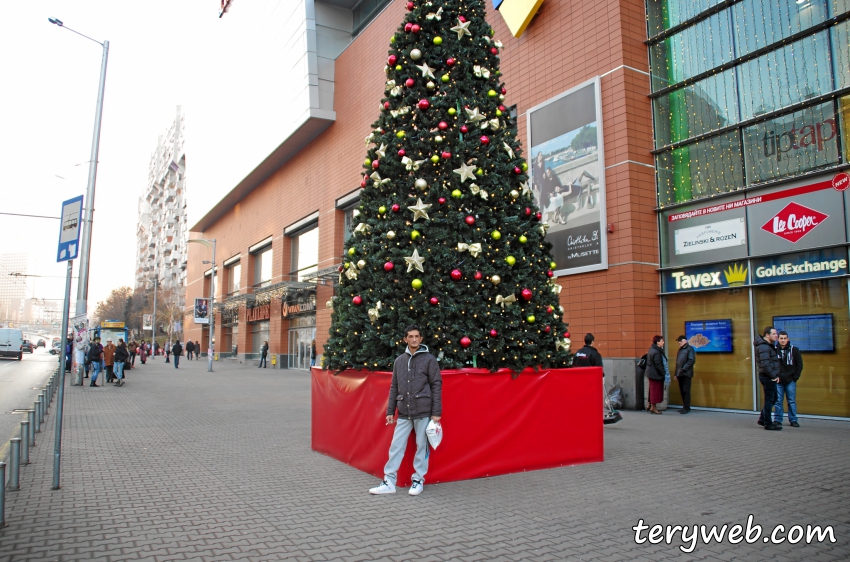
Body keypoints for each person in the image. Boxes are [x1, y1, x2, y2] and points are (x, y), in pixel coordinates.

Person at [369, 325, 442, 496]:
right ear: (405, 339)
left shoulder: (429, 360)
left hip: (424, 411)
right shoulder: (399, 361)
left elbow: (436, 385)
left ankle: (418, 480)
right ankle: (389, 481)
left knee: (422, 446)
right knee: (396, 446)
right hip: (403, 412)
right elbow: (394, 386)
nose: (414, 339)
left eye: (417, 336)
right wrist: (390, 411)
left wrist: (436, 412)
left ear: (421, 339)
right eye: (410, 336)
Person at [754, 326, 782, 431]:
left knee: (773, 398)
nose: (776, 336)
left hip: (769, 376)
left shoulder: (768, 346)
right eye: (774, 334)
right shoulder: (764, 347)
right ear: (767, 335)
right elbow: (765, 364)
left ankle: (763, 418)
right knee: (770, 399)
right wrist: (773, 376)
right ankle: (767, 423)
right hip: (767, 376)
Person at [775, 331, 803, 428]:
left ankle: (793, 420)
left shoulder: (794, 350)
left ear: (788, 339)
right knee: (778, 401)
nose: (783, 340)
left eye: (785, 338)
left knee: (791, 401)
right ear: (778, 339)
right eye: (781, 338)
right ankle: (777, 420)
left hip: (790, 380)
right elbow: (771, 365)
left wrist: (795, 377)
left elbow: (799, 365)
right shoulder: (774, 350)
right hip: (778, 380)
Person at [645, 336, 667, 415]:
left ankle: (650, 405)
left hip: (651, 373)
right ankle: (653, 408)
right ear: (657, 342)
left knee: (652, 389)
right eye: (662, 341)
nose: (663, 342)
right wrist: (663, 373)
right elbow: (658, 364)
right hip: (655, 374)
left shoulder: (652, 349)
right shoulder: (657, 352)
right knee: (656, 391)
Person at [675, 335, 696, 414]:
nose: (679, 342)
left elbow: (691, 360)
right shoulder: (680, 350)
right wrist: (676, 373)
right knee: (682, 391)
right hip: (680, 374)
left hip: (686, 374)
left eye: (680, 341)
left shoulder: (689, 349)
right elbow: (677, 363)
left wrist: (683, 369)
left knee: (686, 391)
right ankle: (684, 406)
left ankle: (686, 407)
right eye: (678, 341)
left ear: (685, 341)